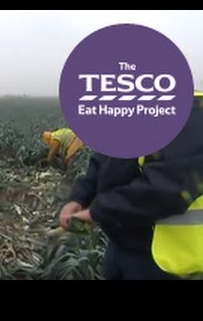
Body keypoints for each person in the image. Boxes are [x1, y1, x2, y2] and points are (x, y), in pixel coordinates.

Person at [59, 91, 203, 280]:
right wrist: (80, 196)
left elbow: (169, 186)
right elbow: (105, 156)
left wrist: (98, 212)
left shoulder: (193, 110)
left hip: (170, 262)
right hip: (121, 244)